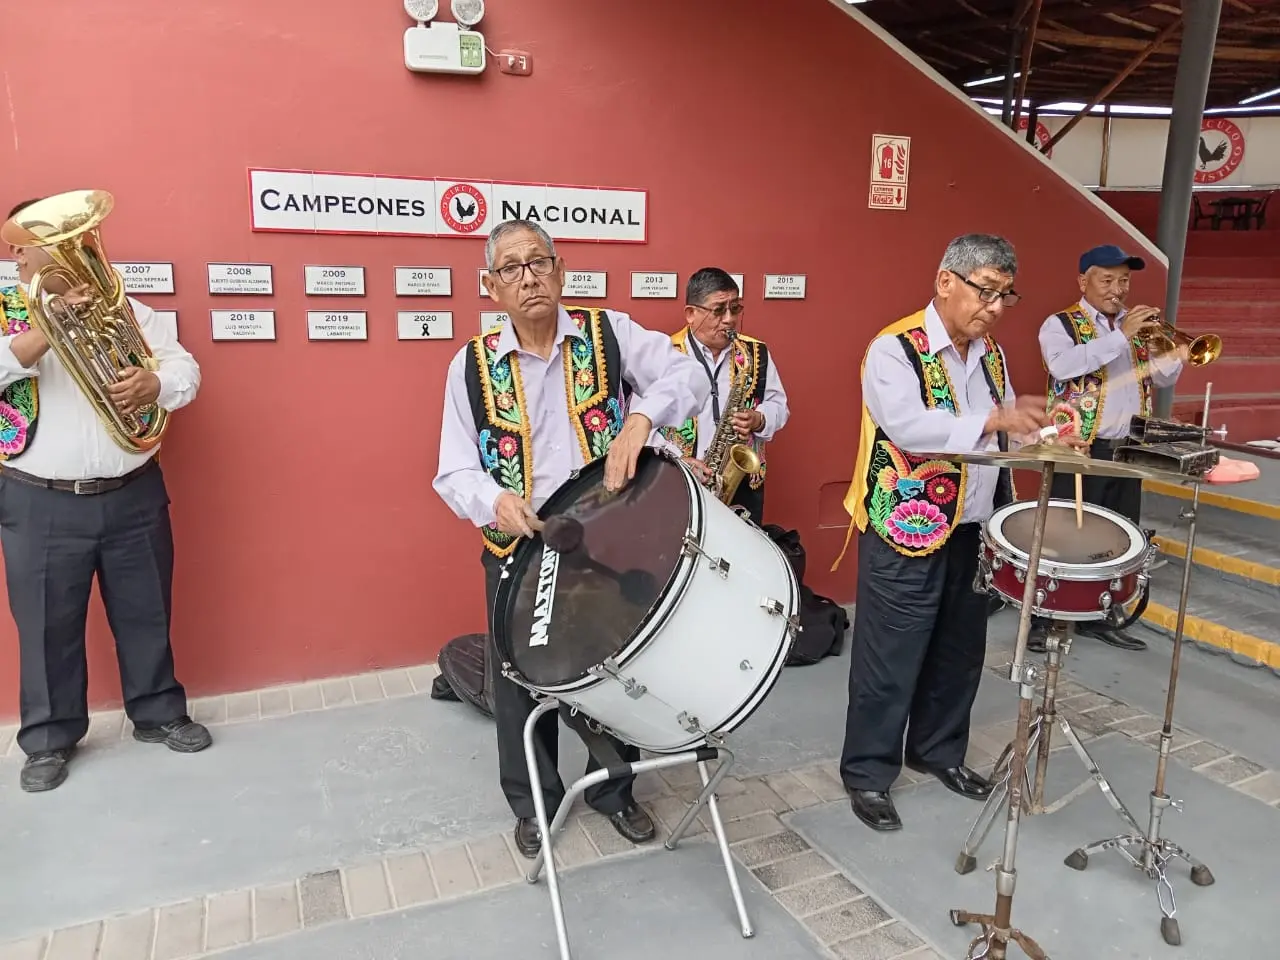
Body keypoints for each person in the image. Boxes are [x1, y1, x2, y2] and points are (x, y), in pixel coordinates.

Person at [433, 219, 709, 859]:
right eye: (511, 268)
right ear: (490, 286)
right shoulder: (470, 367)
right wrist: (494, 500)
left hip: (610, 539)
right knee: (519, 680)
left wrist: (642, 417)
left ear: (560, 272)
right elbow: (453, 468)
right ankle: (534, 802)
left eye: (539, 262)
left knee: (615, 666)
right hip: (520, 549)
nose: (528, 276)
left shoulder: (607, 334)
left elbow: (687, 379)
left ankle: (617, 791)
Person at [831, 234, 1051, 832]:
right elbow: (909, 427)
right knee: (890, 654)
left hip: (975, 528)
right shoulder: (895, 348)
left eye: (1007, 296)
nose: (997, 307)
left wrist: (1045, 432)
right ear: (945, 281)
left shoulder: (992, 355)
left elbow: (1002, 433)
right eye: (987, 291)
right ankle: (869, 773)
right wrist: (996, 419)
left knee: (960, 651)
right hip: (907, 526)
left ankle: (938, 752)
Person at [0, 197, 210, 794]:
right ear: (20, 252)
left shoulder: (131, 311)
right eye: (37, 240)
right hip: (38, 499)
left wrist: (156, 381)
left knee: (146, 609)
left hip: (133, 493)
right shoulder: (6, 313)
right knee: (45, 624)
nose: (51, 252)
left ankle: (159, 711)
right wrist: (46, 331)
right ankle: (48, 738)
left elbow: (186, 372)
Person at [1030, 244, 1186, 653]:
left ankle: (1101, 614)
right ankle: (1044, 619)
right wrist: (1121, 337)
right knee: (1062, 534)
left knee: (1118, 533)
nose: (1118, 288)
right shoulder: (1060, 324)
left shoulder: (1136, 328)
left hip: (1128, 448)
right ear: (1084, 281)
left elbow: (1167, 376)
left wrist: (1159, 347)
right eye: (1108, 279)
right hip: (1079, 448)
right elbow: (1062, 366)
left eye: (1124, 280)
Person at [651, 268, 789, 523]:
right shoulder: (664, 355)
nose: (729, 319)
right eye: (718, 310)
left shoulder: (755, 353)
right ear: (691, 314)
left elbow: (779, 405)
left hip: (741, 489)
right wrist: (678, 459)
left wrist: (760, 418)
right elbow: (643, 425)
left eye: (734, 309)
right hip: (680, 483)